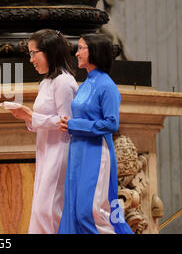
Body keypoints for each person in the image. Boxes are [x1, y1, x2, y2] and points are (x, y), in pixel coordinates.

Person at [57, 33, 133, 234]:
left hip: (97, 154)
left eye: (82, 48)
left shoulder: (107, 86)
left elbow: (111, 123)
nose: (77, 52)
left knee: (90, 212)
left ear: (95, 52)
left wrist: (75, 125)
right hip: (77, 152)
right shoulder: (85, 84)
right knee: (73, 212)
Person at [8, 29, 78, 233]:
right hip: (45, 150)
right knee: (41, 209)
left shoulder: (64, 82)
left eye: (33, 53)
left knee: (48, 210)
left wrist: (31, 116)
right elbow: (40, 120)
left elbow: (68, 123)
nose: (31, 59)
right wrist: (26, 117)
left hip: (60, 151)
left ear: (48, 52)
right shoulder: (46, 82)